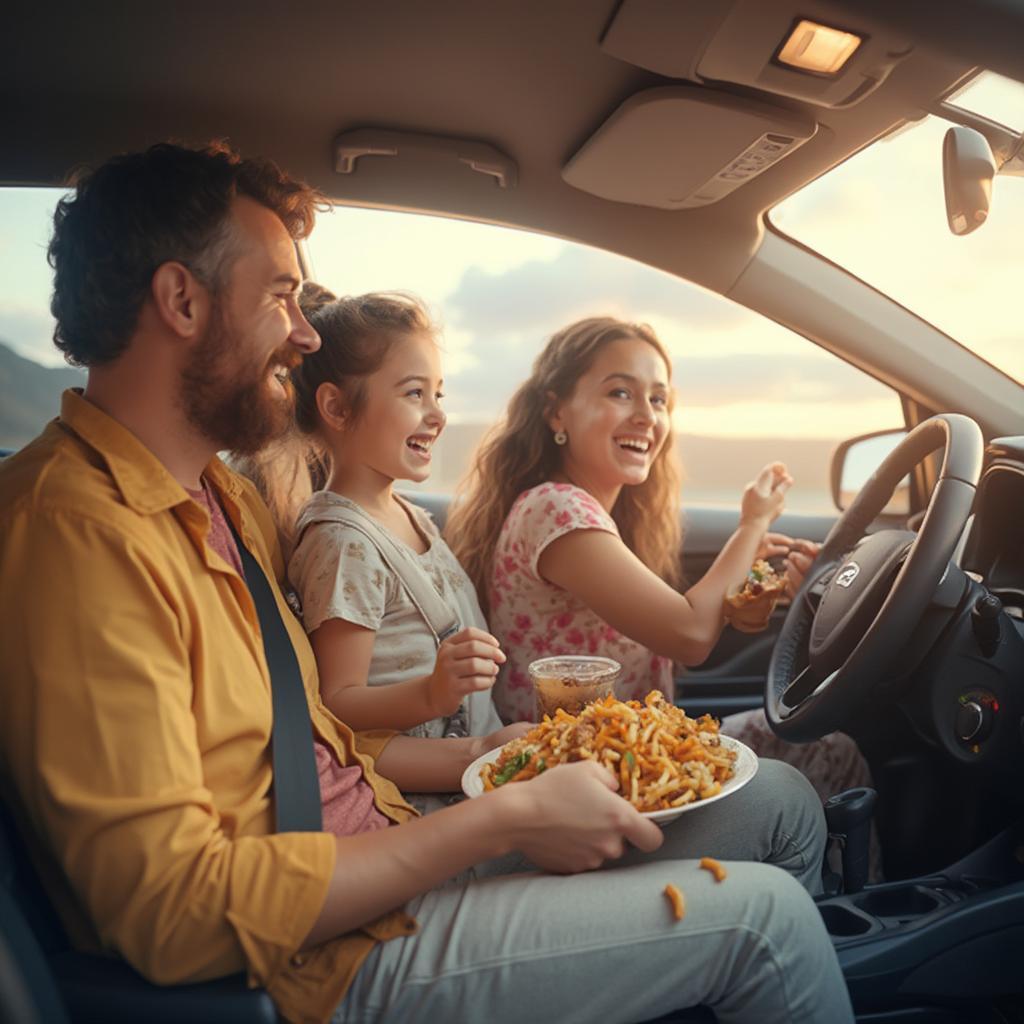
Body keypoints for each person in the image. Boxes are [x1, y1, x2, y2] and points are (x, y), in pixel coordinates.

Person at [0, 142, 854, 1024]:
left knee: (780, 806)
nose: (303, 332)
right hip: (322, 960)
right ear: (182, 300)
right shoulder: (73, 530)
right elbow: (170, 912)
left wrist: (502, 764)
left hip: (394, 844)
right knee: (768, 921)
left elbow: (318, 731)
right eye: (281, 296)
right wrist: (495, 821)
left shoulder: (219, 501)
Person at [446, 316, 874, 808]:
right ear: (556, 412)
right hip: (583, 778)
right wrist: (752, 522)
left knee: (816, 739)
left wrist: (752, 582)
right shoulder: (558, 509)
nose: (647, 416)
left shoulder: (588, 514)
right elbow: (689, 635)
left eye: (658, 400)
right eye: (620, 393)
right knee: (832, 752)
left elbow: (689, 623)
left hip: (629, 757)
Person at [259, 288, 522, 814]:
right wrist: (432, 693)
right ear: (335, 406)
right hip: (425, 808)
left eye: (438, 395)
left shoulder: (410, 515)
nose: (437, 415)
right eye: (413, 394)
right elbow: (337, 704)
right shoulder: (343, 542)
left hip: (482, 782)